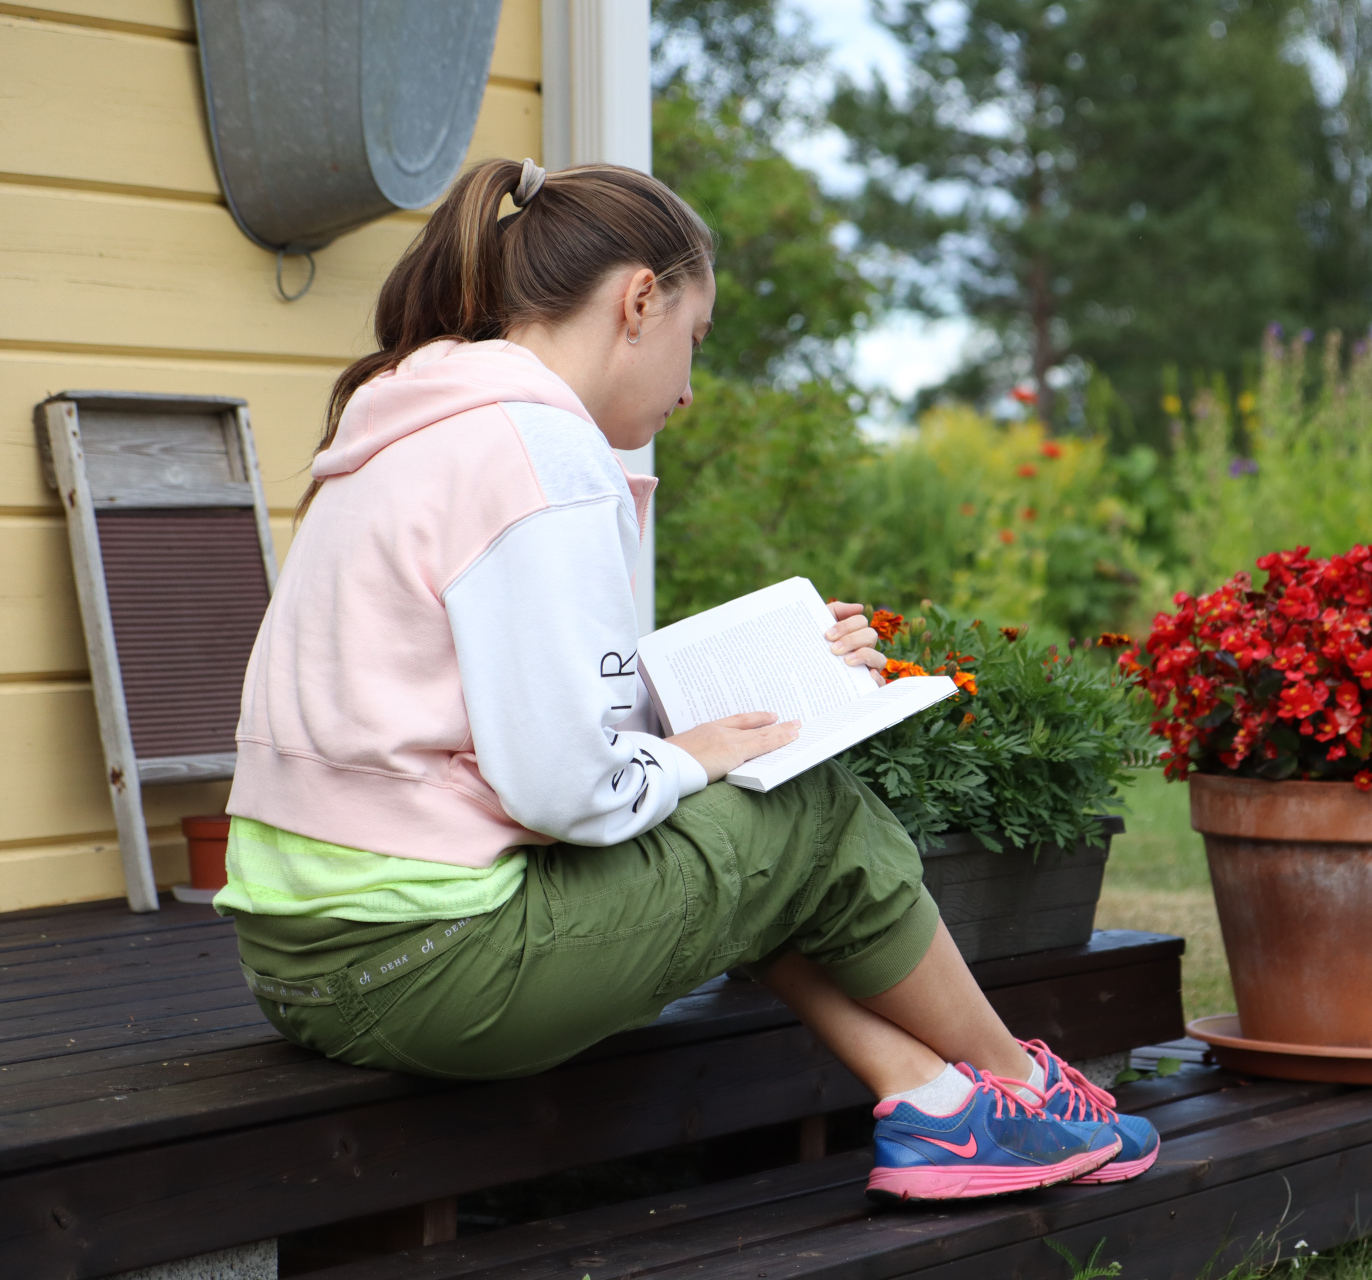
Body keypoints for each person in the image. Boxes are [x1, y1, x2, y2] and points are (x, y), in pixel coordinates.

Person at [217, 157, 1159, 1203]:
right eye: (693, 340)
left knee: (752, 827)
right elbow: (561, 788)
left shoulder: (414, 420)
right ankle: (1028, 1087)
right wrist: (688, 755)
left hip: (297, 961)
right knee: (808, 809)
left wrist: (736, 708)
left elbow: (519, 707)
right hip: (433, 965)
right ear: (638, 300)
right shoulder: (539, 452)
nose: (690, 386)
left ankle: (936, 1097)